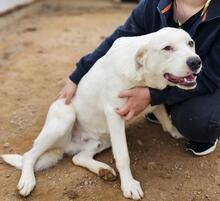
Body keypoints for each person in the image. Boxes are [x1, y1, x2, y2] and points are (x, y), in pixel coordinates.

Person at [58, 0, 220, 156]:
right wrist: (77, 74)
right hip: (177, 78)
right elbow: (119, 38)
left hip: (211, 79)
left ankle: (207, 131)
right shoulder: (153, 3)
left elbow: (211, 76)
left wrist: (153, 96)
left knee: (197, 121)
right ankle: (167, 105)